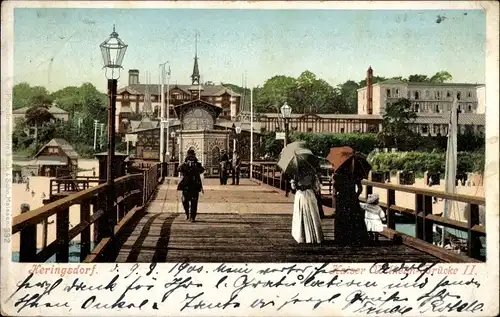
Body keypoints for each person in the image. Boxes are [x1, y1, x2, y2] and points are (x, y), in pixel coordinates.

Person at [290, 166, 324, 244]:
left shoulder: (296, 174)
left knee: (300, 214)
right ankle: (314, 236)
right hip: (310, 194)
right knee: (312, 214)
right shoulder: (313, 173)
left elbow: (293, 187)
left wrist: (294, 182)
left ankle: (301, 236)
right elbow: (316, 188)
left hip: (300, 195)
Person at [177, 149, 205, 222]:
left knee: (194, 202)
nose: (191, 158)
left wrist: (195, 165)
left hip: (195, 186)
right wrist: (186, 164)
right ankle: (187, 214)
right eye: (189, 157)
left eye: (192, 156)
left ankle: (192, 217)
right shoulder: (185, 164)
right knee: (185, 201)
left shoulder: (197, 164)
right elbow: (179, 169)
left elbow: (202, 170)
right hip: (186, 186)